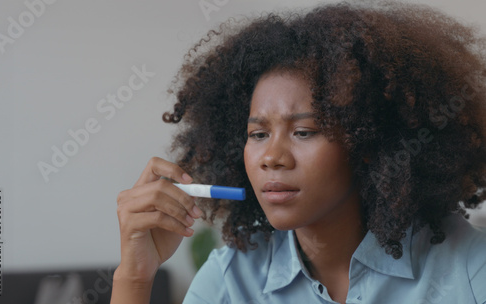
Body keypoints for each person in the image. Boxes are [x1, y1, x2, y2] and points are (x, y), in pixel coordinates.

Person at [110, 1, 486, 303]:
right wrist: (134, 277)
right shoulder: (232, 279)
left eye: (304, 131)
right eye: (257, 134)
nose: (271, 157)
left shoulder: (469, 268)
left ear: (368, 142)